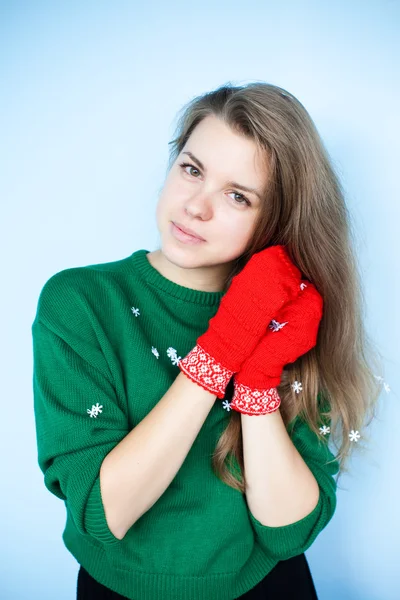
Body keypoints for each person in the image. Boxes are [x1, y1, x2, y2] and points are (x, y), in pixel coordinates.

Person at [31, 82, 383, 600]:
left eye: (238, 196)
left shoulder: (291, 314)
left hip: (267, 587)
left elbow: (288, 532)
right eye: (192, 169)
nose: (196, 207)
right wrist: (222, 349)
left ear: (276, 221)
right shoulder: (80, 303)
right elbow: (103, 514)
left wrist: (260, 375)